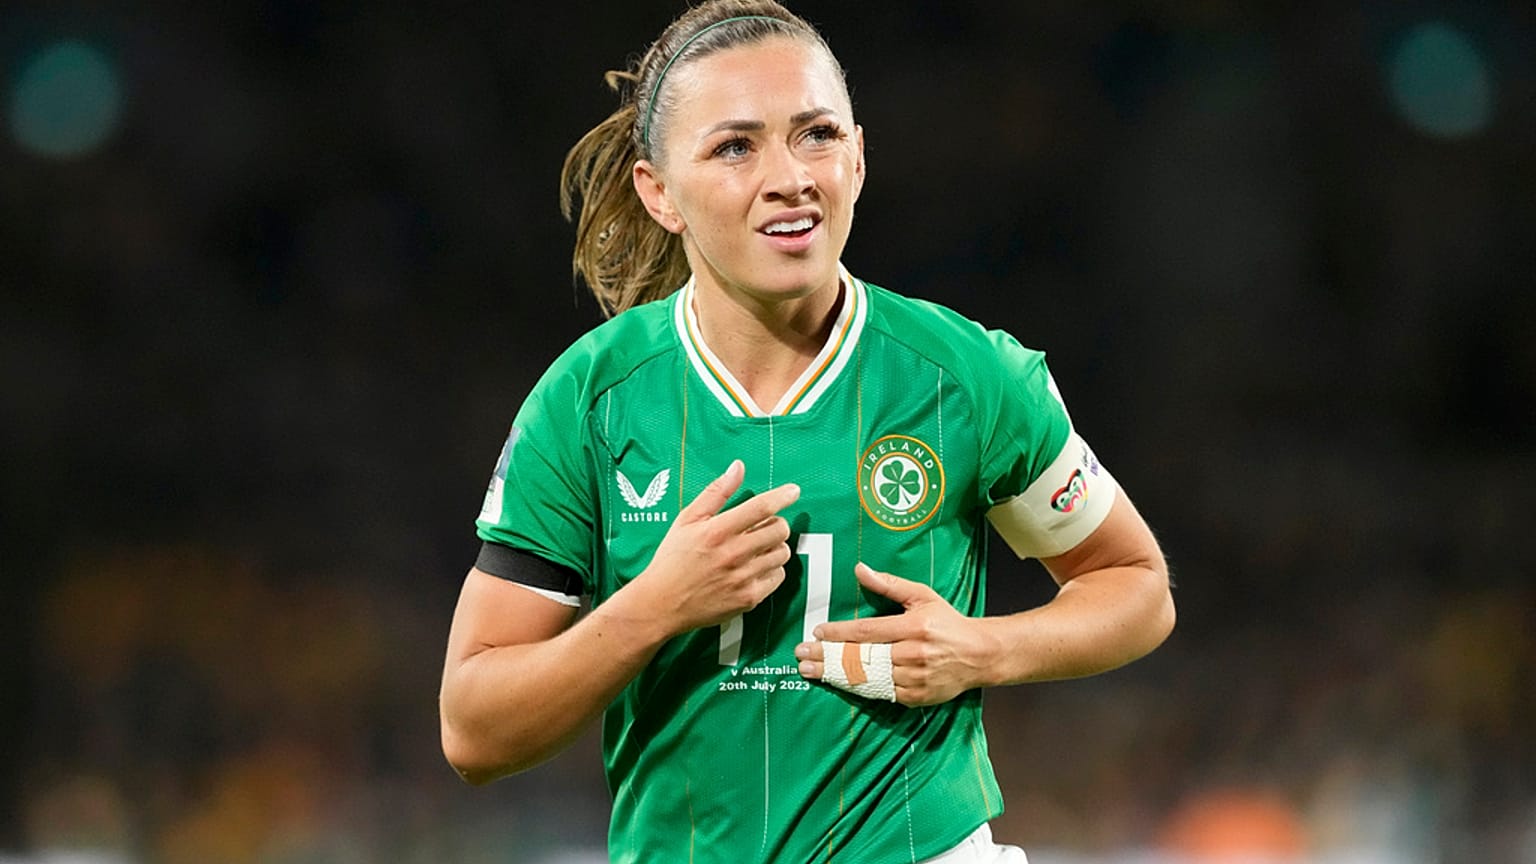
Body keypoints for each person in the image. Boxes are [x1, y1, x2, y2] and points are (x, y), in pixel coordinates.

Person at [439, 2, 1175, 862]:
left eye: (815, 134)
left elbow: (1136, 587)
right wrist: (654, 605)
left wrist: (983, 648)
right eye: (735, 146)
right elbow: (474, 730)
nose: (788, 176)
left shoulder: (965, 376)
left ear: (857, 158)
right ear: (658, 192)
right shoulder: (591, 400)